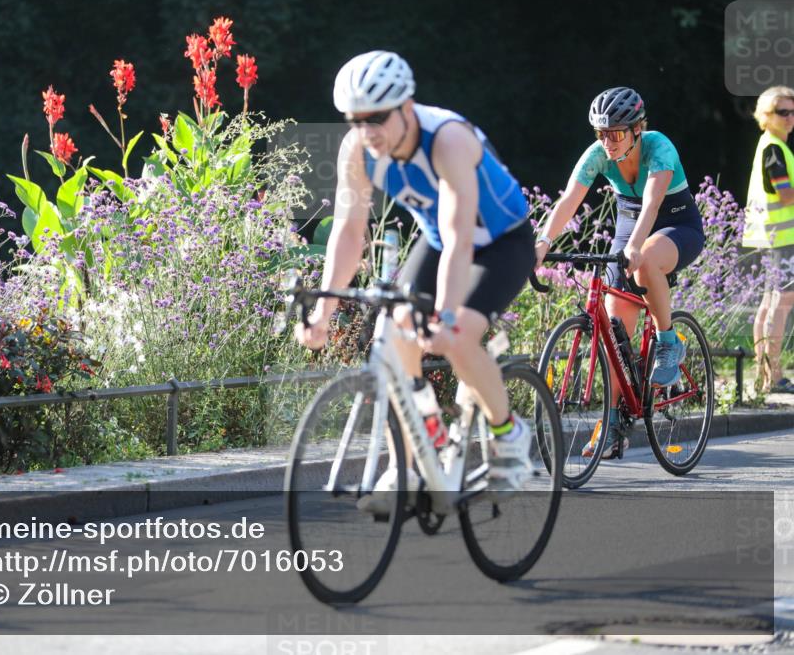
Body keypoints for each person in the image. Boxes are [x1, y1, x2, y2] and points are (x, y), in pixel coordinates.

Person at [295, 50, 536, 508]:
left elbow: (460, 237)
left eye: (378, 118)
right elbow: (348, 231)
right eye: (355, 120)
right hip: (441, 241)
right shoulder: (358, 150)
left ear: (406, 107)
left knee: (457, 335)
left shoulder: (448, 140)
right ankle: (409, 464)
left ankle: (510, 432)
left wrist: (444, 315)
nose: (368, 132)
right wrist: (323, 312)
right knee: (394, 332)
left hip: (500, 242)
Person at [534, 87, 705, 458]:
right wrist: (543, 242)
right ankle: (613, 423)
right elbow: (569, 200)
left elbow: (652, 203)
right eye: (601, 133)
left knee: (643, 265)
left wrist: (634, 249)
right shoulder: (598, 155)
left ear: (637, 129)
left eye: (616, 133)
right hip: (630, 227)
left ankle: (668, 342)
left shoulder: (659, 148)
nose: (607, 142)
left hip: (676, 225)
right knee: (614, 332)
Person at [743, 85, 794, 394]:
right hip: (780, 238)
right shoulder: (774, 148)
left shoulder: (770, 145)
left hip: (768, 237)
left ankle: (766, 375)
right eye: (783, 112)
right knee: (781, 304)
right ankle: (772, 376)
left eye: (793, 112)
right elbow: (785, 194)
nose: (790, 118)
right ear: (766, 115)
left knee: (769, 303)